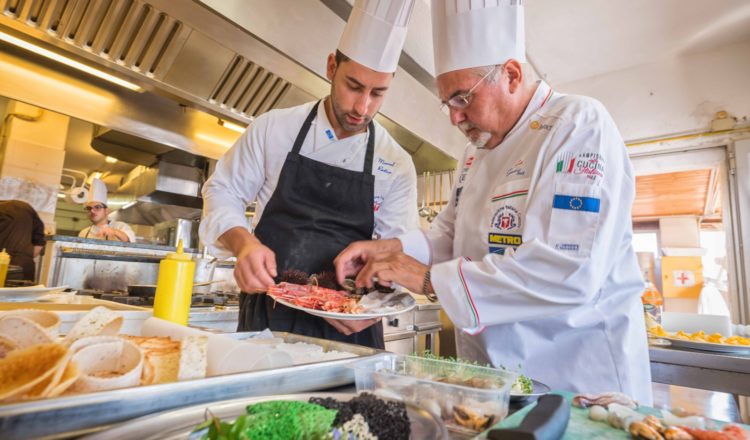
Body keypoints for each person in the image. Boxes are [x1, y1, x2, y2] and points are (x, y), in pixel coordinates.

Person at [335, 0, 652, 403]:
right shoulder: (475, 153)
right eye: (447, 102)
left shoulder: (578, 125)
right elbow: (449, 235)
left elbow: (569, 270)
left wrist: (428, 279)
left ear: (512, 75)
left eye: (462, 99)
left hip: (579, 382)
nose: (454, 118)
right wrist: (391, 250)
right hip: (499, 383)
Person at [200, 0, 419, 348]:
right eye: (354, 86)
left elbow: (397, 256)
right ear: (332, 67)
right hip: (269, 316)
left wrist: (372, 306)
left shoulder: (396, 162)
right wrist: (243, 244)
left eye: (378, 93)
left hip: (351, 327)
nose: (363, 107)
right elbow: (222, 192)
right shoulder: (274, 128)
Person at [0, 200, 45, 281]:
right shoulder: (24, 206)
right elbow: (39, 240)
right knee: (23, 293)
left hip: (3, 265)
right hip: (23, 265)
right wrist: (26, 254)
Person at [78, 178, 135, 243]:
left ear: (107, 211)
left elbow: (130, 241)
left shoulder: (120, 226)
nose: (92, 211)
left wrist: (114, 232)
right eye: (89, 208)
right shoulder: (84, 233)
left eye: (97, 207)